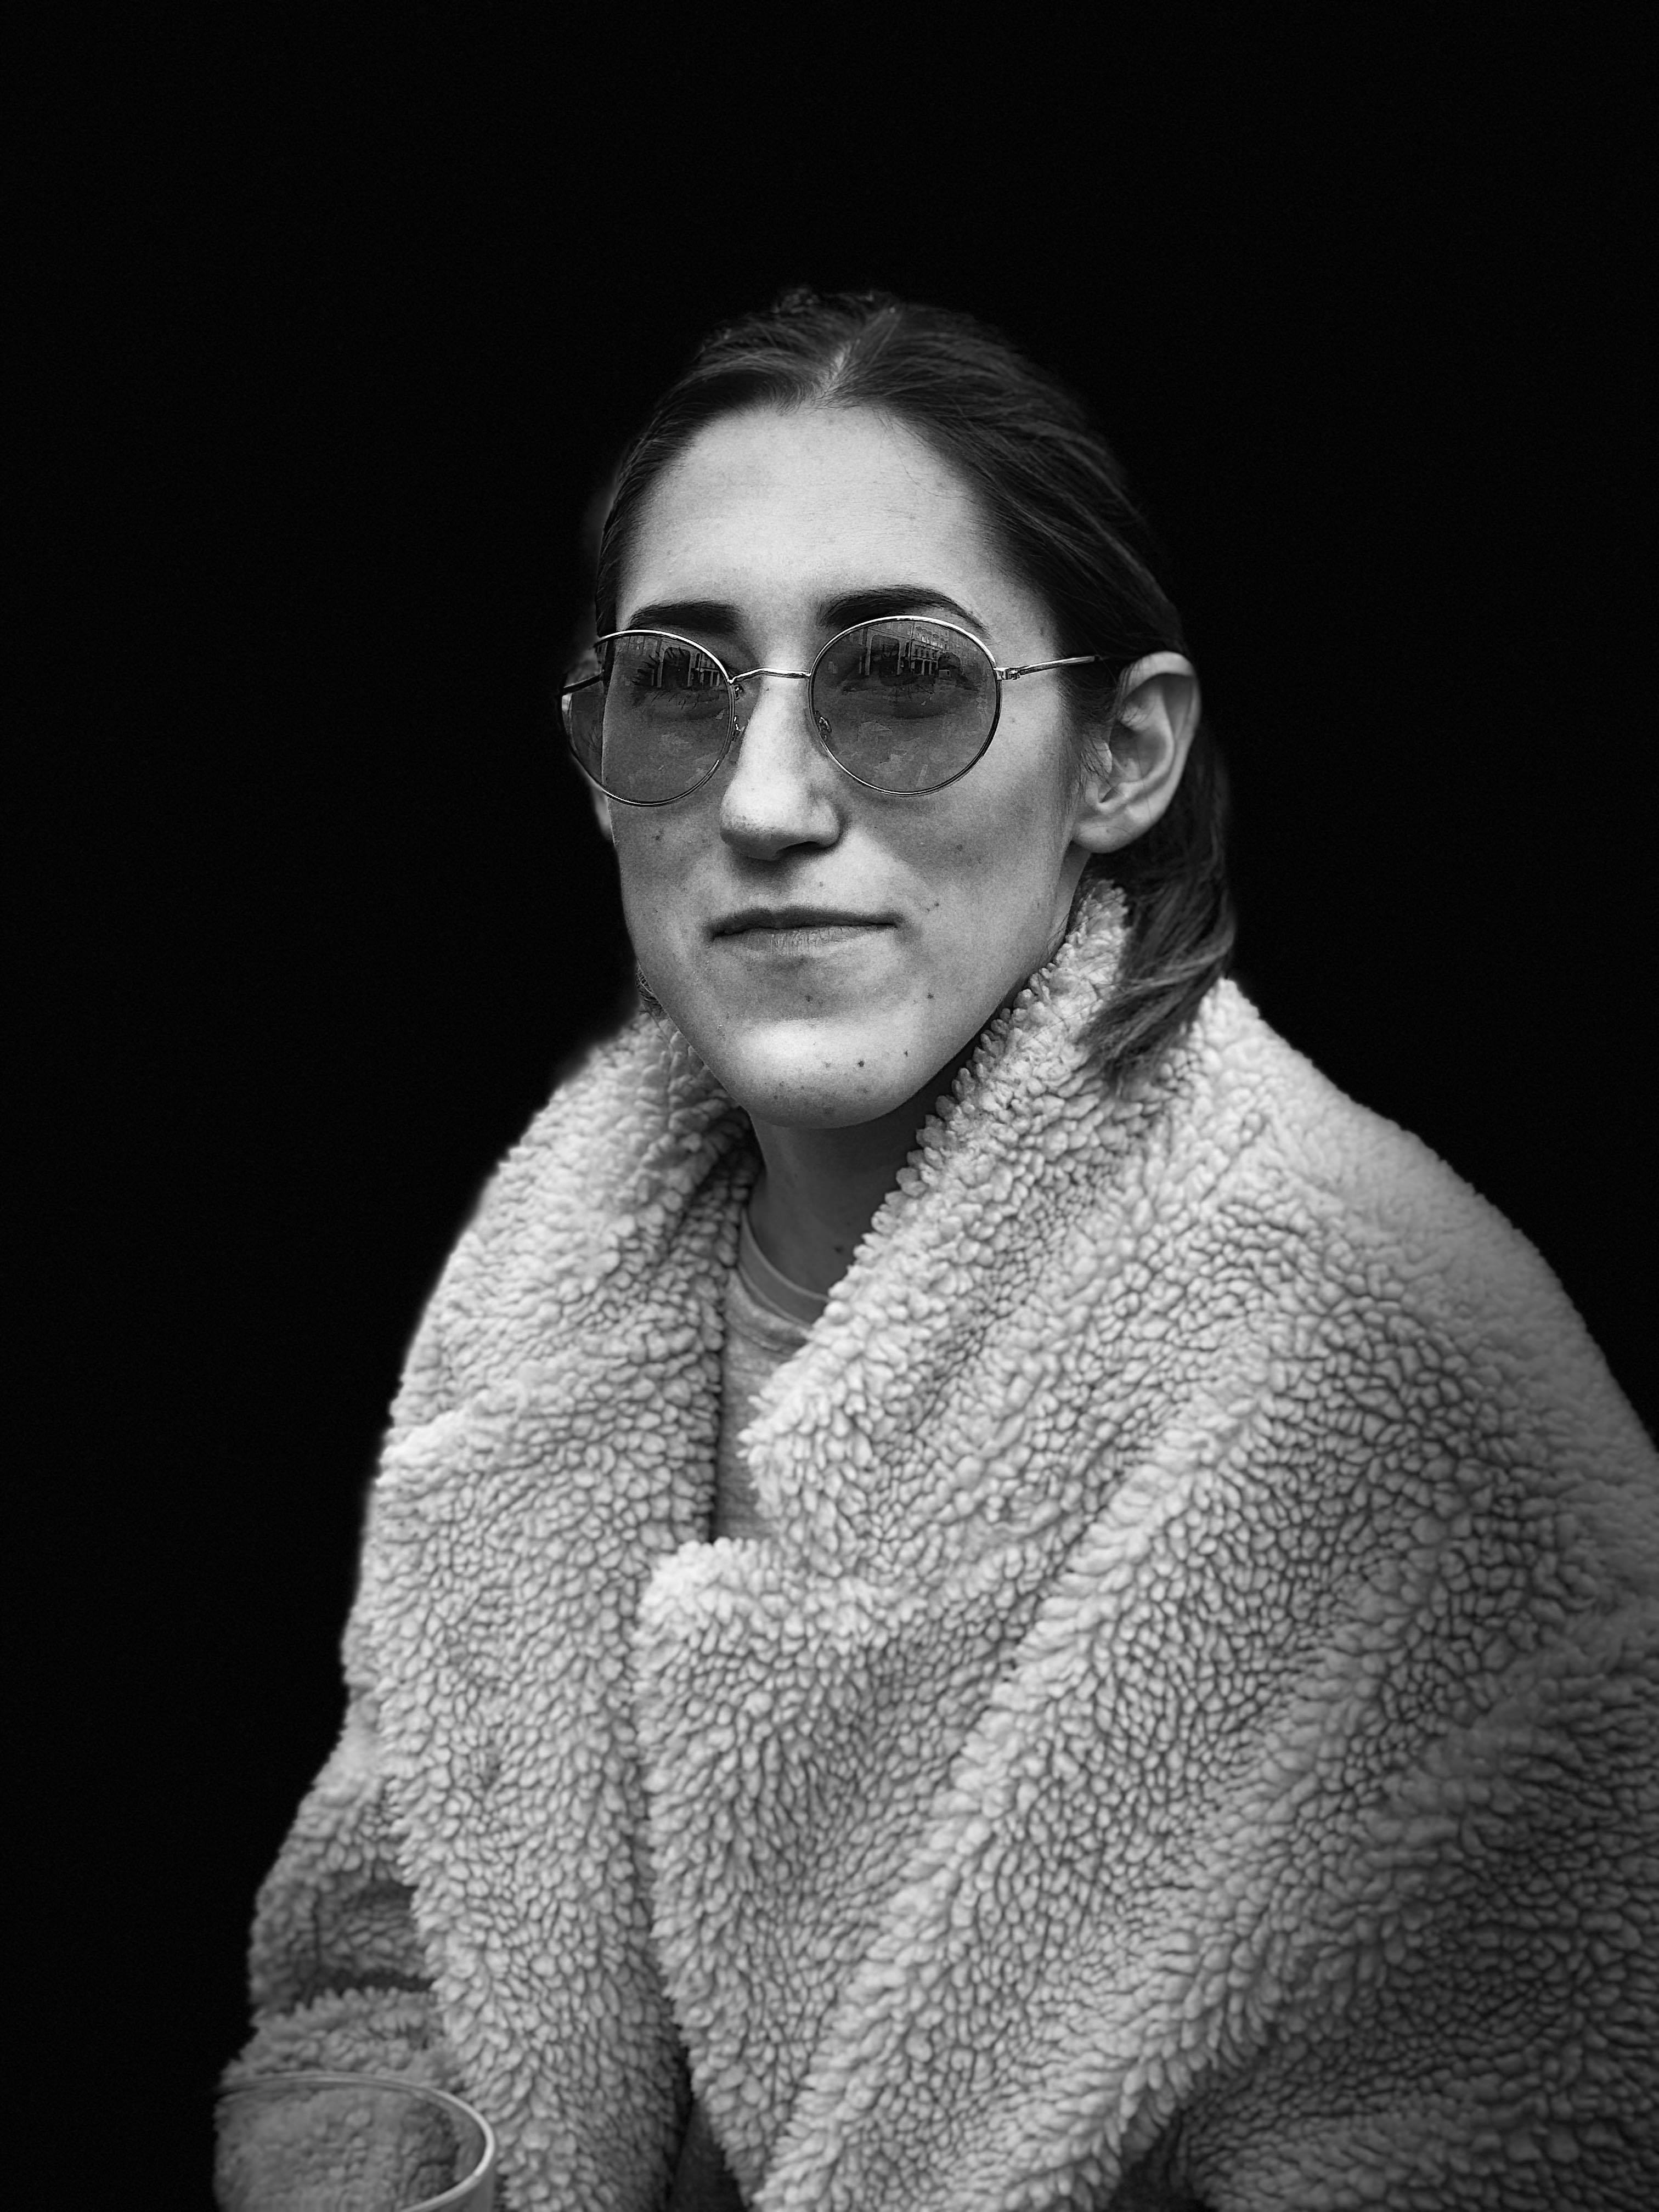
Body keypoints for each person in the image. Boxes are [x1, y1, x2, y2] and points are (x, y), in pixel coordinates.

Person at [218, 287, 1659, 2211]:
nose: (764, 802)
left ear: (1121, 758)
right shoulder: (536, 1292)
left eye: (904, 679)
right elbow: (383, 1988)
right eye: (679, 686)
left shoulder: (1409, 1380)